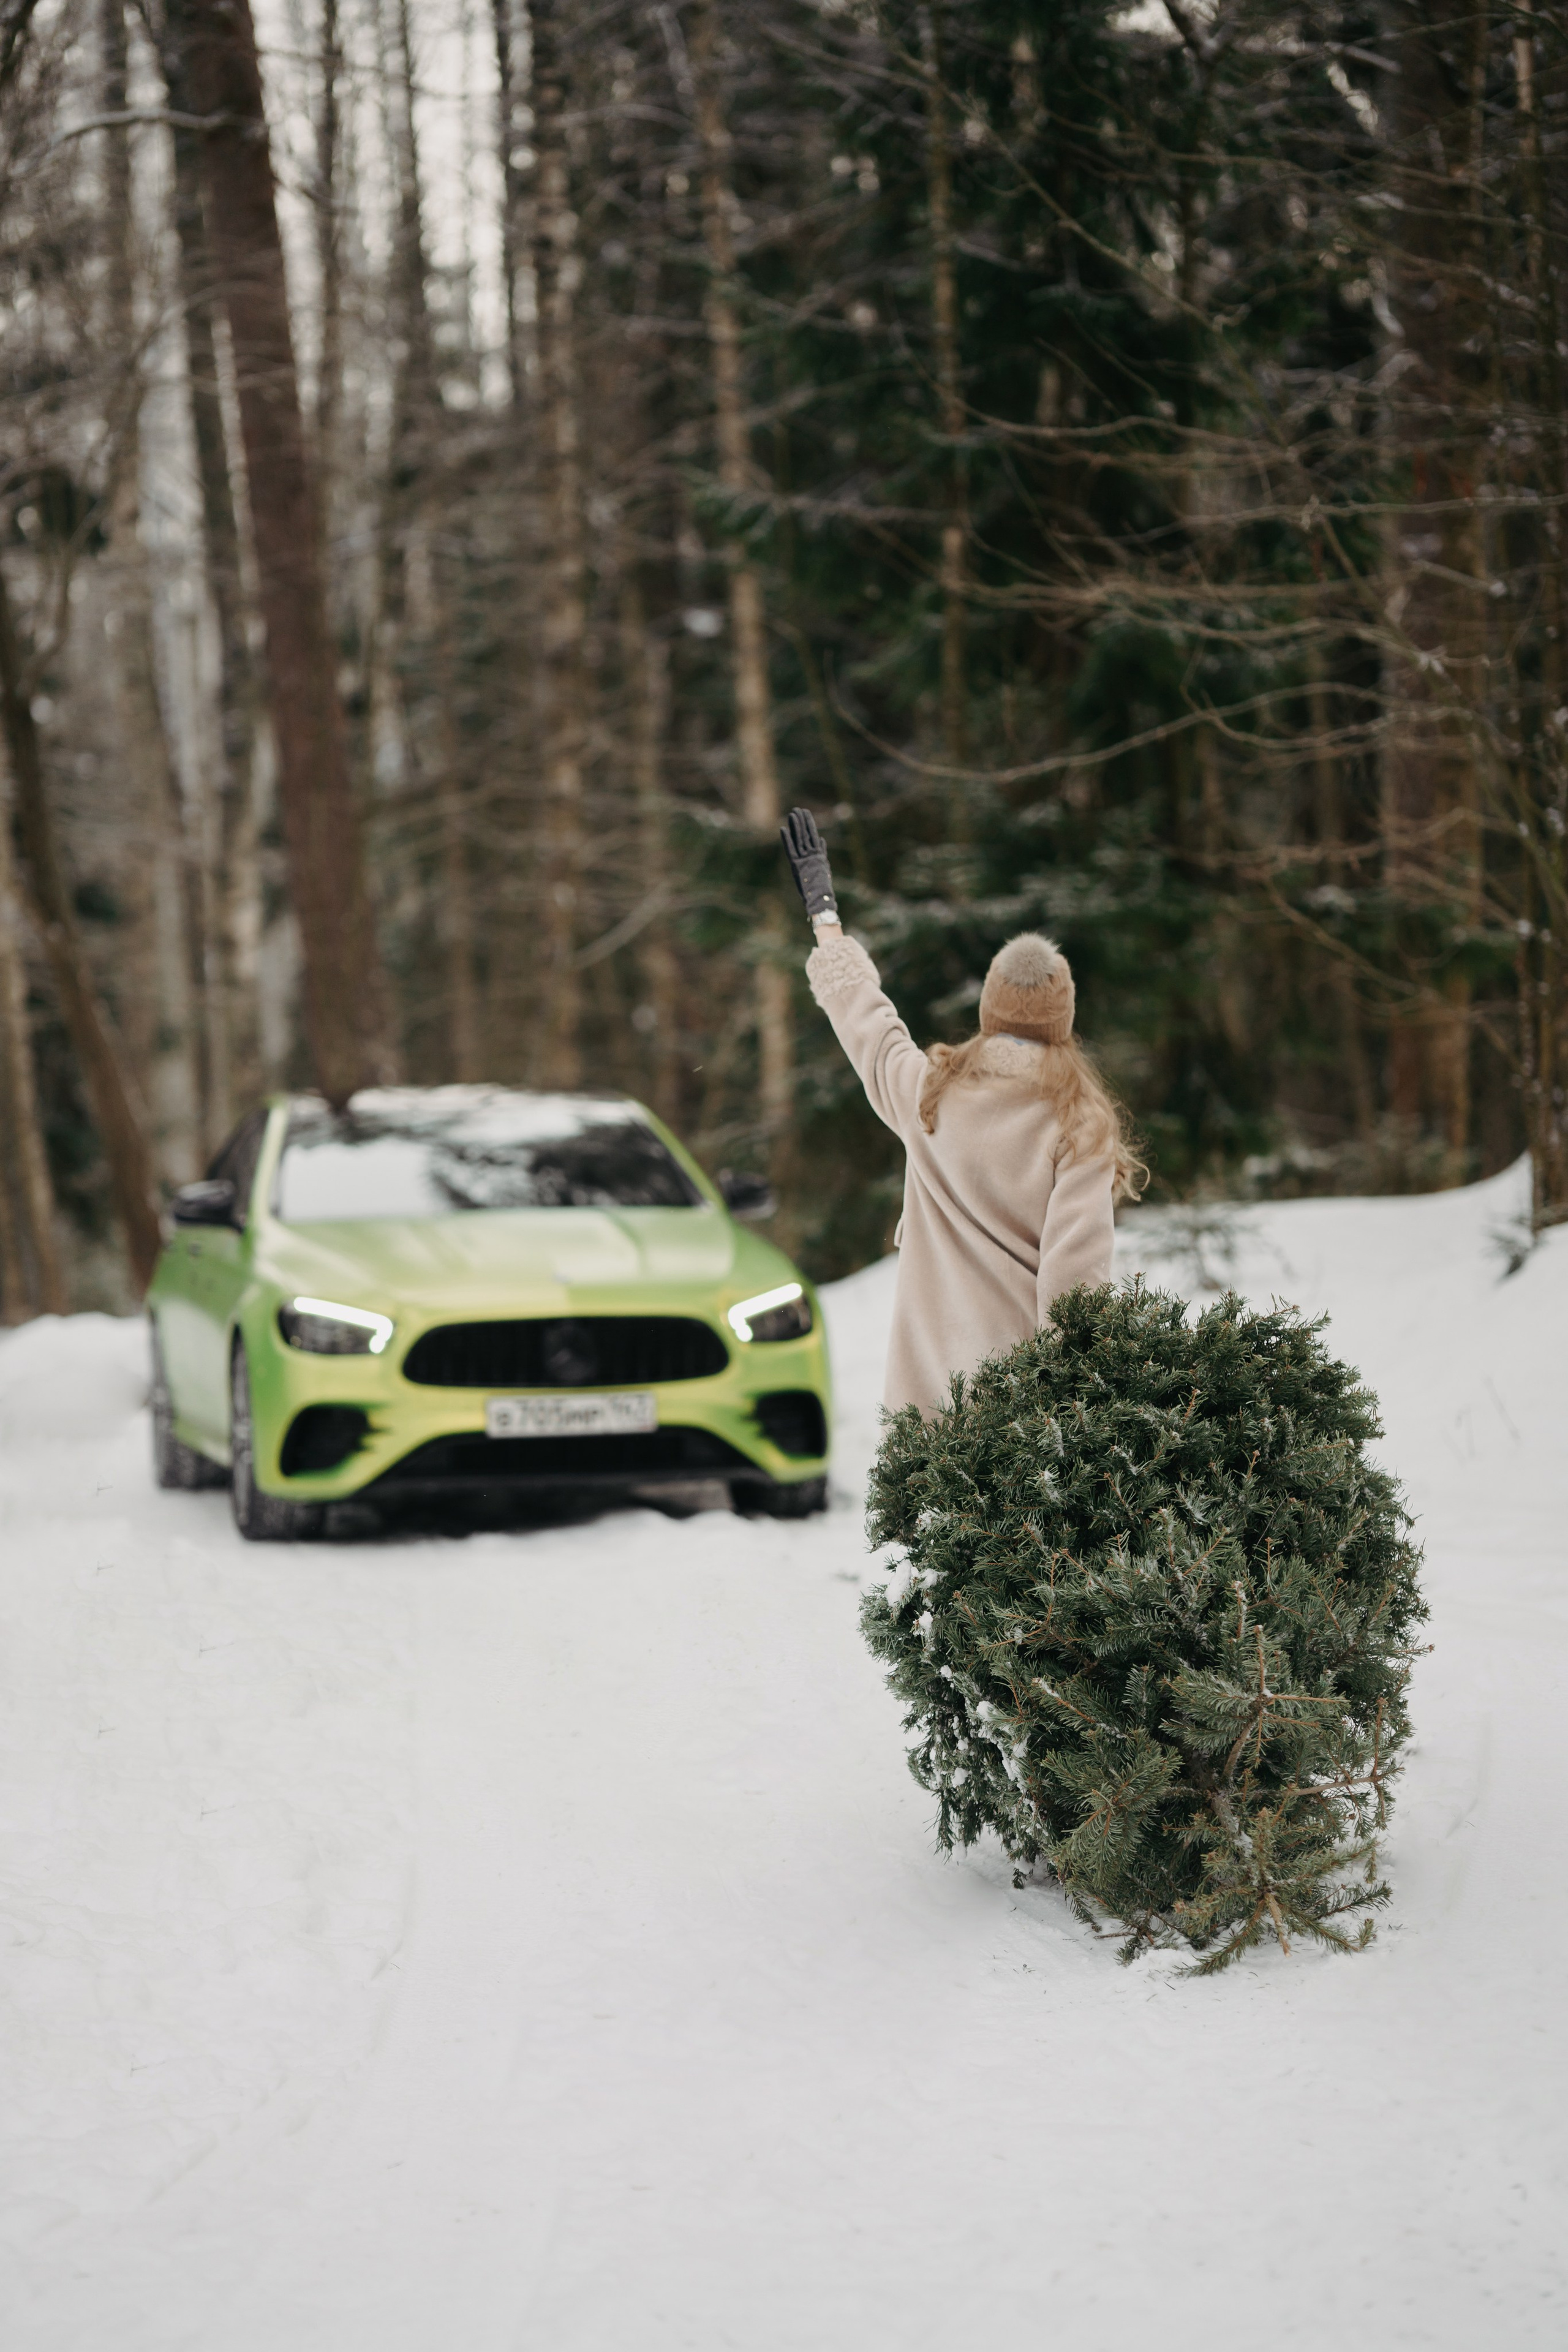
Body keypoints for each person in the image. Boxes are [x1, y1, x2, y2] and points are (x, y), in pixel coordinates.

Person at [780, 807, 1145, 1419]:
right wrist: (1071, 1414)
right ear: (1062, 1023)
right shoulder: (1080, 1125)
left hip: (925, 1407)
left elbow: (867, 1019)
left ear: (987, 1011)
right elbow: (1075, 1284)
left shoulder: (928, 1094)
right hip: (1021, 1414)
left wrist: (825, 916)